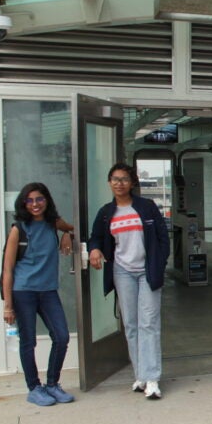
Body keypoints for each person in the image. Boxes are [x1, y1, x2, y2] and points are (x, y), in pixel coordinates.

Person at [88, 163, 170, 399]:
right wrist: (94, 250)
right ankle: (141, 375)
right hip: (122, 272)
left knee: (149, 324)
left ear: (132, 183)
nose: (119, 183)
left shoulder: (146, 207)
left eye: (124, 179)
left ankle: (152, 378)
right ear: (109, 182)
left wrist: (159, 263)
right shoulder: (106, 212)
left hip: (147, 272)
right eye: (115, 179)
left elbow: (163, 239)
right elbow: (96, 237)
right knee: (132, 325)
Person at [2, 182, 76, 406]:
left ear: (47, 201)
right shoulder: (19, 229)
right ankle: (34, 388)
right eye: (30, 200)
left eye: (40, 199)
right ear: (24, 203)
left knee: (62, 337)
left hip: (48, 291)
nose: (35, 204)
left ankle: (52, 384)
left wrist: (67, 235)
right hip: (23, 292)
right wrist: (8, 305)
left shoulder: (53, 222)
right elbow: (7, 269)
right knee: (28, 342)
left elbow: (72, 228)